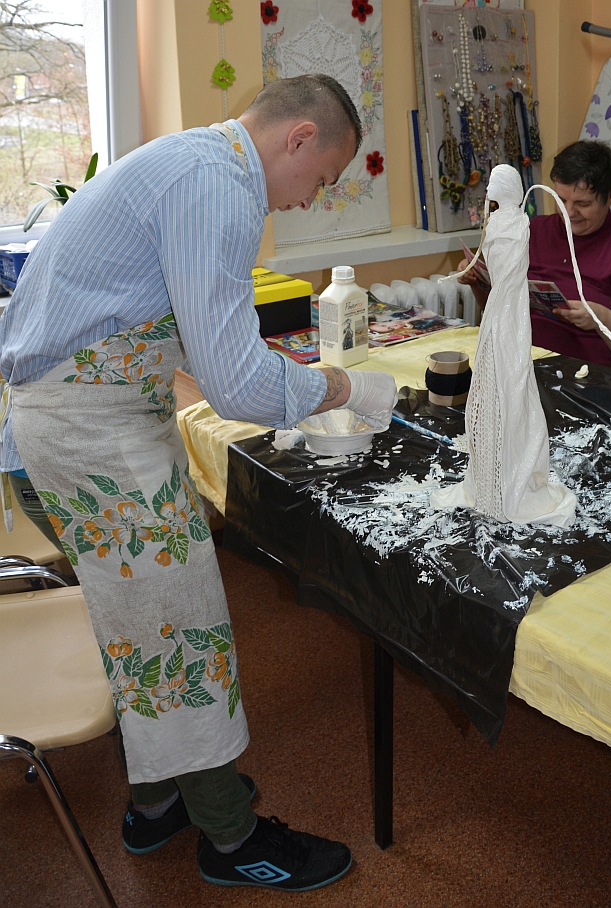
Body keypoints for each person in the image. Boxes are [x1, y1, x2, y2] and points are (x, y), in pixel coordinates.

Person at [0, 74, 397, 892]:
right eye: (321, 179)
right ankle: (231, 839)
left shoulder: (190, 161)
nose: (307, 200)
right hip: (87, 436)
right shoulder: (217, 187)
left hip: (65, 428)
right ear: (298, 138)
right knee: (179, 630)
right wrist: (346, 388)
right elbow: (241, 387)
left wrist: (280, 376)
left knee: (141, 620)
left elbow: (183, 329)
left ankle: (156, 804)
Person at [458, 141, 611, 368]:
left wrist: (601, 318)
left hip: (582, 373)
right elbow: (498, 310)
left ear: (610, 197)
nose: (568, 212)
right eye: (561, 199)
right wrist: (477, 281)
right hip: (518, 361)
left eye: (582, 203)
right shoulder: (535, 230)